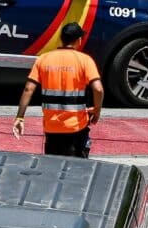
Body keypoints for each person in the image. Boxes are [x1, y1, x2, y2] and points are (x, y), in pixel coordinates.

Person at [13, 23, 103, 157]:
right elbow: (98, 89)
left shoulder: (43, 59)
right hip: (76, 128)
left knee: (53, 170)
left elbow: (28, 89)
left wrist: (20, 117)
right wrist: (97, 110)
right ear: (79, 40)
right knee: (77, 171)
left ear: (61, 39)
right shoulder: (85, 60)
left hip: (51, 128)